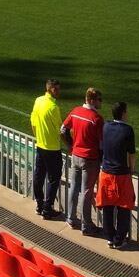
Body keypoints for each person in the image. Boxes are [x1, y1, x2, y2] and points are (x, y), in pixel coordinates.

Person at [62, 88, 105, 235]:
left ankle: (71, 218)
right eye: (99, 99)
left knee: (74, 187)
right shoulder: (96, 119)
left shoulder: (75, 111)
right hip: (90, 159)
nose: (101, 102)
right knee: (86, 192)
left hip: (76, 155)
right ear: (92, 100)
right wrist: (101, 159)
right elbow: (101, 143)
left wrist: (70, 146)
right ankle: (86, 225)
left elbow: (63, 130)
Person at [97, 101, 137, 250]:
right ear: (123, 113)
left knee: (107, 206)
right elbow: (132, 154)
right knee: (124, 207)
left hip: (106, 173)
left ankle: (110, 237)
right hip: (121, 174)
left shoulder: (106, 126)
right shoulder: (128, 130)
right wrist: (131, 169)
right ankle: (119, 239)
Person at [30, 80, 65, 220]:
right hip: (52, 148)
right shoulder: (53, 107)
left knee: (39, 176)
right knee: (54, 178)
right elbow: (60, 129)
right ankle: (47, 208)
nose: (59, 92)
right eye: (56, 89)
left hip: (40, 146)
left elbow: (32, 120)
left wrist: (37, 135)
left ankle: (39, 204)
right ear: (50, 89)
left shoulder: (38, 100)